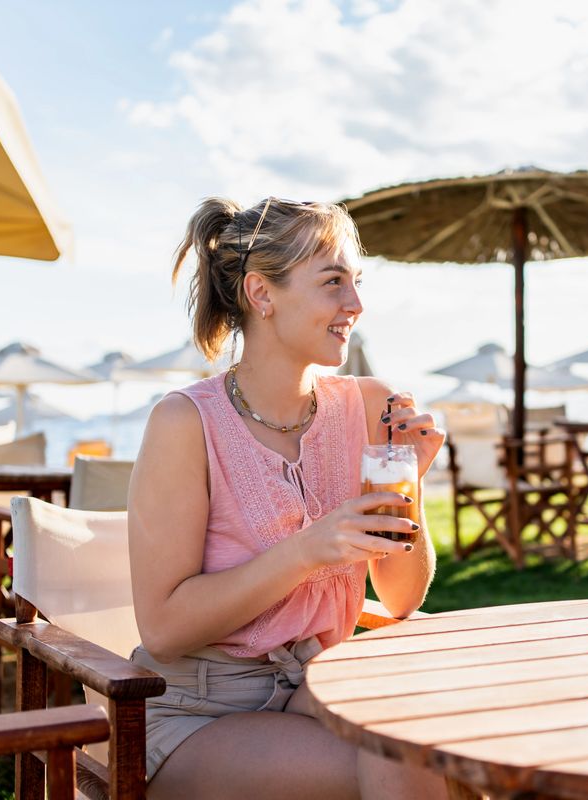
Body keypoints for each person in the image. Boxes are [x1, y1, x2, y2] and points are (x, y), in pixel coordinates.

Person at [128, 196, 448, 799]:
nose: (355, 304)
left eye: (356, 282)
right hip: (196, 711)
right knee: (411, 765)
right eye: (333, 282)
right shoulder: (183, 423)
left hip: (318, 687)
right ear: (261, 293)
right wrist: (308, 551)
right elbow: (165, 629)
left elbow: (401, 597)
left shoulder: (370, 404)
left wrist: (408, 481)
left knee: (459, 750)